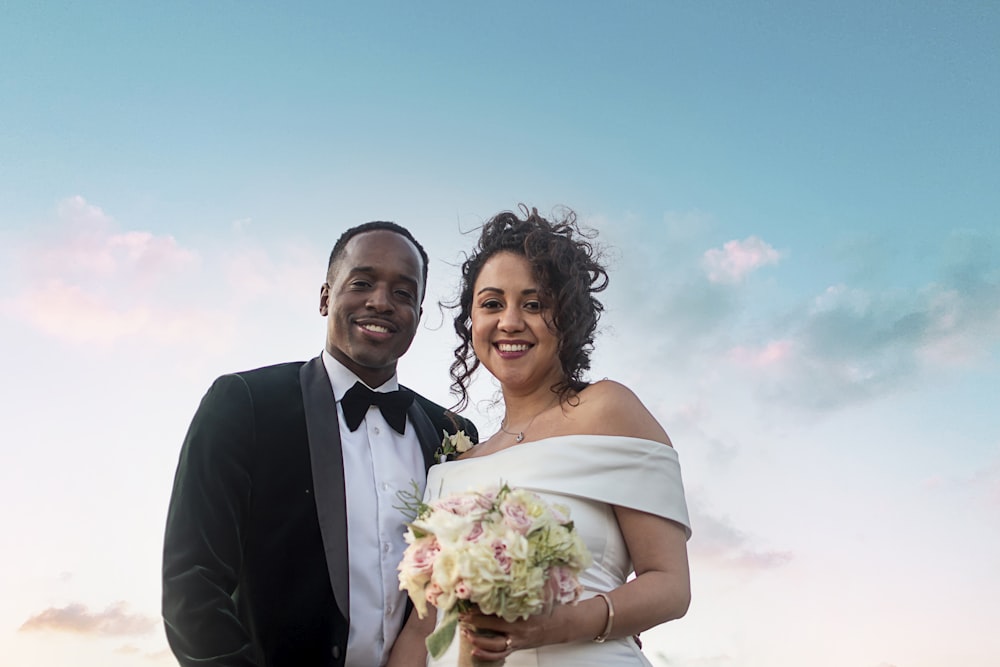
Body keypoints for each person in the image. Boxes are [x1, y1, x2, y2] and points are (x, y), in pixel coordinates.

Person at [162, 221, 478, 667]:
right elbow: (192, 583)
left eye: (404, 293)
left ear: (419, 317)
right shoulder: (244, 404)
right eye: (362, 282)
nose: (381, 302)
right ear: (326, 295)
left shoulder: (451, 434)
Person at [388, 206, 691, 666]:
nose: (510, 321)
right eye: (492, 304)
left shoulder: (608, 410)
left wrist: (555, 627)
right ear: (472, 322)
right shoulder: (452, 468)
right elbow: (422, 627)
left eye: (534, 304)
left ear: (566, 317)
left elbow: (670, 585)